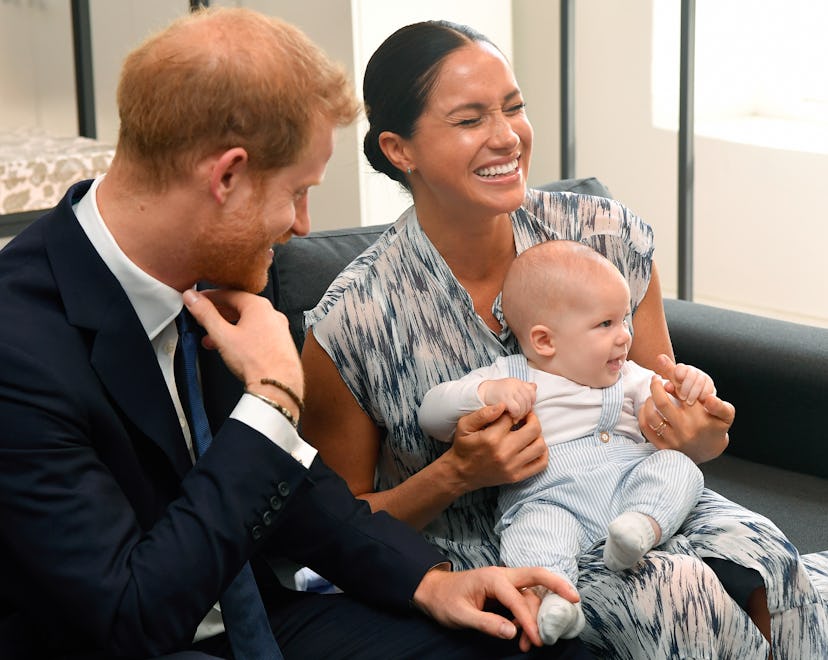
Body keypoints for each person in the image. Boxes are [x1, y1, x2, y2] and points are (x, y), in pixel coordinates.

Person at [0, 8, 592, 660]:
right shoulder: (16, 347)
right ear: (226, 176)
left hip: (263, 621)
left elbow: (302, 494)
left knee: (535, 642)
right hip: (130, 637)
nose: (304, 226)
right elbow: (128, 616)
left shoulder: (214, 276)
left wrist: (429, 581)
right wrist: (273, 401)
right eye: (298, 192)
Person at [300, 19, 828, 658]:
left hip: (645, 498)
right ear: (399, 149)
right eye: (470, 120)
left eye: (514, 108)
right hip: (513, 546)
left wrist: (699, 433)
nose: (507, 136)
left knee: (773, 560)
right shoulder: (352, 320)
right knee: (675, 594)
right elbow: (335, 531)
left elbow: (663, 405)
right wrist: (456, 475)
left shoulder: (603, 236)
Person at [419, 240, 718, 644]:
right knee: (532, 532)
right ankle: (556, 599)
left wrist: (693, 386)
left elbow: (670, 403)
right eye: (605, 324)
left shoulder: (627, 376)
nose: (625, 337)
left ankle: (641, 529)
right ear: (544, 341)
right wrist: (486, 393)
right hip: (549, 497)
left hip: (629, 483)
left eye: (624, 320)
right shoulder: (511, 376)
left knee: (679, 468)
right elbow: (431, 414)